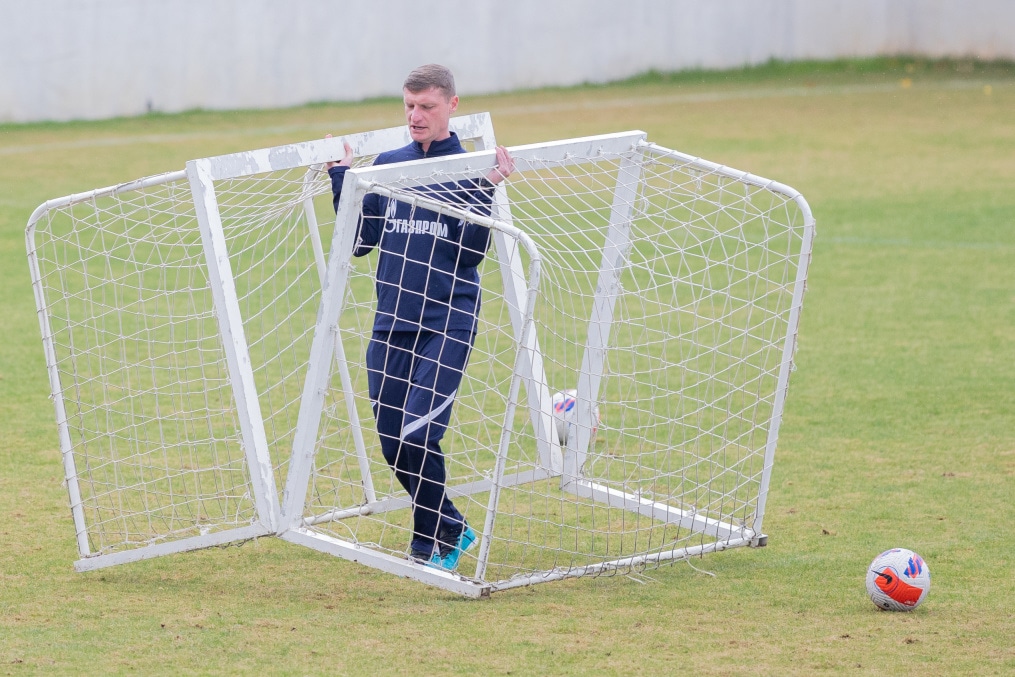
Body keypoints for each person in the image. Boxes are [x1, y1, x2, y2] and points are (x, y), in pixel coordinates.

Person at [325, 64, 514, 571]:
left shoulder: (469, 169)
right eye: (409, 106)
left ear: (452, 105)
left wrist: (487, 187)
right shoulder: (388, 165)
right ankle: (450, 525)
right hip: (390, 325)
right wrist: (342, 179)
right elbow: (361, 243)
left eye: (426, 106)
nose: (416, 116)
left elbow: (471, 255)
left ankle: (426, 541)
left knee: (419, 434)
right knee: (393, 442)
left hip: (448, 321)